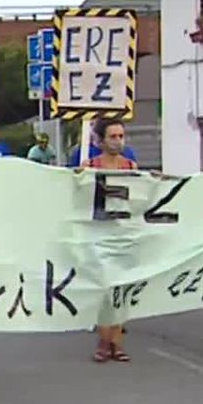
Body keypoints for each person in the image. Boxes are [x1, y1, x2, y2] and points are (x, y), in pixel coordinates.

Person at [80, 118, 137, 363]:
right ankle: (104, 342)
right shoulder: (90, 166)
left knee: (121, 290)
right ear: (101, 141)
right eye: (113, 136)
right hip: (98, 235)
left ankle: (117, 342)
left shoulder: (130, 166)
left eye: (121, 136)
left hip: (123, 234)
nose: (118, 141)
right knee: (104, 290)